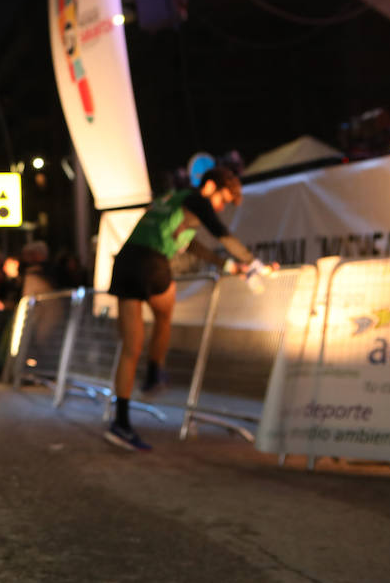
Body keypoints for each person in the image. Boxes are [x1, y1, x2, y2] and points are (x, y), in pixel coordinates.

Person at [104, 166, 269, 452]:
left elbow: (191, 245)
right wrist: (252, 262)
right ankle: (155, 371)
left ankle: (122, 421)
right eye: (223, 200)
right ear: (211, 187)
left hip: (126, 261)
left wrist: (229, 266)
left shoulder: (173, 199)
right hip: (151, 262)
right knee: (165, 311)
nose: (221, 206)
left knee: (132, 347)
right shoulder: (197, 200)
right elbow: (220, 233)